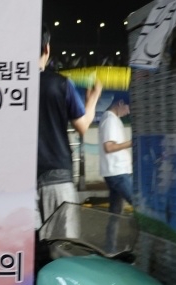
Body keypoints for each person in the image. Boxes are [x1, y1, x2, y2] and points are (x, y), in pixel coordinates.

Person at [36, 24, 102, 230]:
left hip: (18, 182)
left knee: (27, 247)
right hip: (57, 177)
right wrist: (92, 100)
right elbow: (82, 126)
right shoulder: (60, 84)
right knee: (61, 243)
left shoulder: (10, 85)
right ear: (46, 48)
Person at [99, 98, 133, 214]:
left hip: (116, 172)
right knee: (138, 204)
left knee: (115, 211)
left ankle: (112, 227)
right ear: (121, 103)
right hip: (118, 172)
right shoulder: (110, 120)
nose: (128, 112)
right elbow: (109, 147)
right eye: (128, 108)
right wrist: (131, 143)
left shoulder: (113, 119)